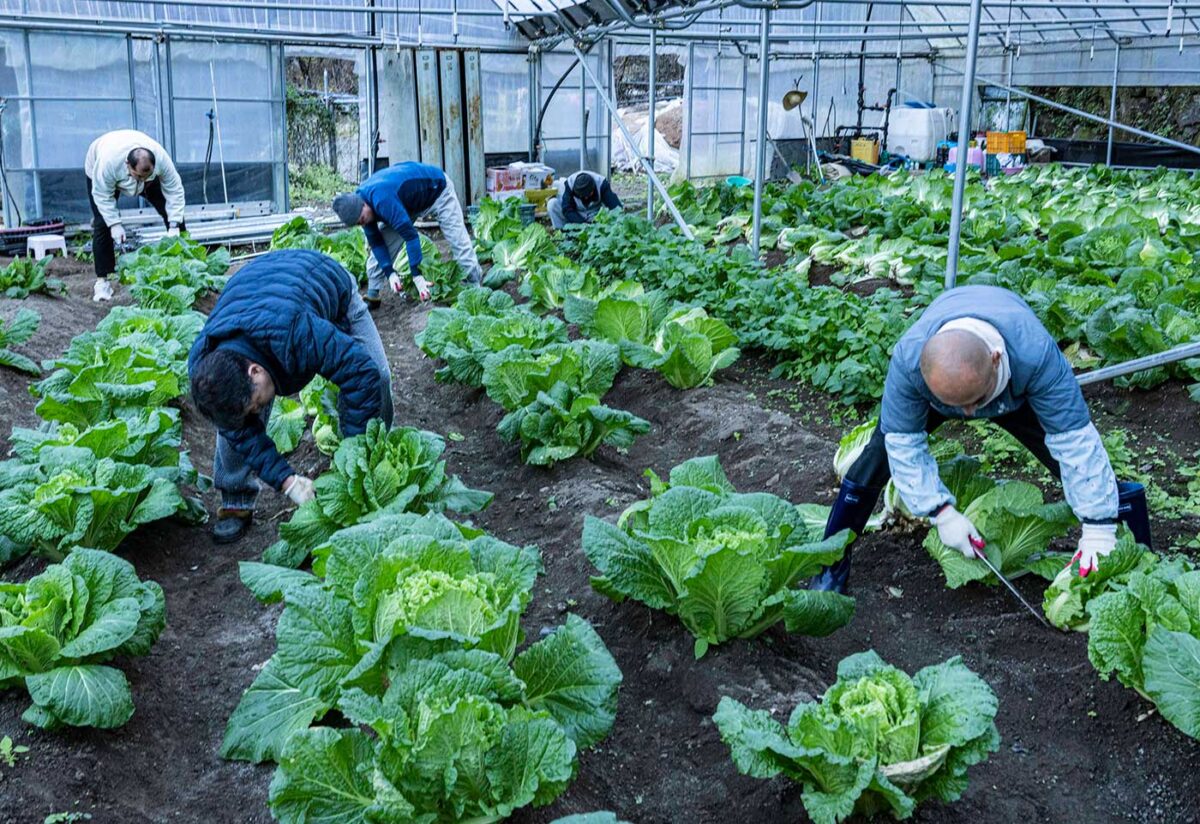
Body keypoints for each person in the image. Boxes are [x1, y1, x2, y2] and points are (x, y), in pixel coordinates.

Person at [810, 284, 1152, 594]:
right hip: (949, 389)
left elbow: (1077, 443)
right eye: (960, 408)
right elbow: (904, 446)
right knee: (874, 460)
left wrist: (1097, 529)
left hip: (1013, 391)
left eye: (974, 403)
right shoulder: (909, 362)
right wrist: (941, 513)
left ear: (996, 358)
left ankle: (1124, 543)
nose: (969, 416)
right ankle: (832, 566)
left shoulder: (1036, 356)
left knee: (1062, 458)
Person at [187, 249, 394, 544]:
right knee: (232, 419)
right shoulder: (205, 367)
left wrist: (354, 455)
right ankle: (236, 500)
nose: (258, 410)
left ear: (255, 371)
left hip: (324, 281)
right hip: (256, 287)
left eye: (257, 403)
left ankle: (375, 463)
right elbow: (239, 428)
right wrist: (288, 482)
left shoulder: (297, 333)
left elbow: (359, 374)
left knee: (377, 375)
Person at [332, 162, 481, 308]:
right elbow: (376, 243)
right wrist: (390, 273)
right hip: (406, 201)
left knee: (458, 240)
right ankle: (373, 293)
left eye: (363, 219)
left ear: (364, 204)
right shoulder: (360, 208)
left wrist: (417, 275)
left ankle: (475, 287)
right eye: (359, 223)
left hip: (437, 190)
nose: (363, 224)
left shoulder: (382, 200)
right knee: (382, 242)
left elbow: (411, 237)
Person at [84, 129, 186, 303]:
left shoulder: (160, 159)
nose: (141, 180)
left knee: (173, 215)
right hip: (101, 174)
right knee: (102, 224)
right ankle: (102, 281)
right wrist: (114, 224)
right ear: (128, 165)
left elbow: (175, 190)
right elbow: (102, 195)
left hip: (143, 175)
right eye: (138, 176)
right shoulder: (108, 162)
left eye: (145, 176)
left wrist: (174, 224)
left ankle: (184, 266)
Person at [547, 170, 623, 229]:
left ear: (593, 189)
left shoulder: (601, 183)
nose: (586, 198)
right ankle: (563, 232)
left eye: (588, 194)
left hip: (594, 215)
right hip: (576, 214)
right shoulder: (569, 184)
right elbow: (567, 209)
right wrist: (582, 224)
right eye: (582, 196)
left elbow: (615, 207)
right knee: (552, 204)